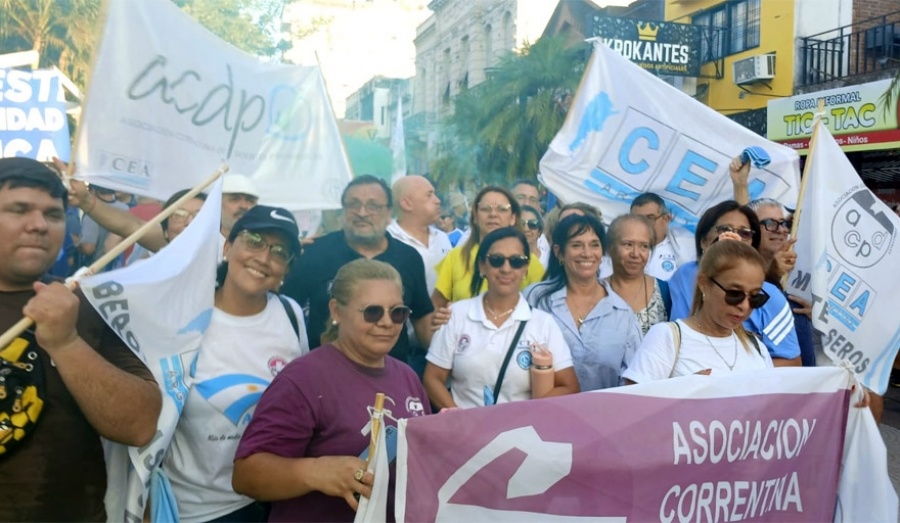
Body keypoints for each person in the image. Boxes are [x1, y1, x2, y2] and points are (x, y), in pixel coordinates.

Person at [0, 157, 161, 521]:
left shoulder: (87, 303)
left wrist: (66, 343)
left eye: (54, 214)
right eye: (19, 210)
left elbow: (140, 425)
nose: (39, 225)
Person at [232, 259, 430, 522]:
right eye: (372, 312)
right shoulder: (304, 379)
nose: (386, 322)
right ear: (337, 311)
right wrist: (316, 471)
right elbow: (246, 475)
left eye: (398, 312)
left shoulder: (407, 377)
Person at [162, 204, 309, 522]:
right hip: (197, 509)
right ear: (228, 246)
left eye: (279, 252)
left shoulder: (291, 314)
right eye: (254, 241)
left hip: (271, 498)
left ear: (286, 269)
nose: (264, 258)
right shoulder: (184, 318)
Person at [280, 175, 435, 366]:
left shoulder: (408, 258)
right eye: (353, 205)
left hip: (389, 372)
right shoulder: (315, 253)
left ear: (389, 213)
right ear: (342, 211)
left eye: (373, 206)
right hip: (324, 371)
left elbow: (421, 317)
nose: (362, 213)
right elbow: (285, 310)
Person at [424, 227, 579, 409]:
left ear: (526, 268)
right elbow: (432, 378)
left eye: (516, 261)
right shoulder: (456, 315)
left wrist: (526, 415)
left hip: (522, 426)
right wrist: (460, 418)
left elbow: (569, 386)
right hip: (465, 425)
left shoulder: (543, 323)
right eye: (496, 260)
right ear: (482, 266)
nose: (506, 269)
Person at [667, 200, 802, 366]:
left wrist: (734, 375)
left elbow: (792, 362)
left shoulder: (770, 295)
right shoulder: (686, 274)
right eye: (725, 229)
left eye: (745, 233)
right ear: (703, 240)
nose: (733, 238)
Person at [623, 240, 773, 382]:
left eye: (755, 297)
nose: (744, 306)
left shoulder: (757, 348)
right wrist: (684, 390)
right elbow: (631, 399)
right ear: (704, 284)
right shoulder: (666, 337)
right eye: (734, 294)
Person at [525, 214, 641, 391]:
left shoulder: (622, 313)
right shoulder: (536, 299)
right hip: (541, 407)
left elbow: (633, 380)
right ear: (559, 252)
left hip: (604, 409)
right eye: (576, 245)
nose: (587, 253)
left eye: (594, 245)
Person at [65, 169, 257, 255]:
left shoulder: (256, 249)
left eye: (249, 200)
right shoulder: (180, 244)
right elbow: (132, 226)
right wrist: (86, 202)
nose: (243, 206)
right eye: (235, 199)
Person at [432, 186, 544, 308]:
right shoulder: (456, 257)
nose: (493, 214)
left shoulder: (528, 261)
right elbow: (436, 306)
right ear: (475, 216)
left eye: (502, 209)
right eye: (485, 209)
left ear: (513, 218)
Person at [604, 215, 671, 334]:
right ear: (610, 248)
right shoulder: (594, 292)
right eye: (628, 244)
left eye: (644, 246)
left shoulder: (664, 292)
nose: (635, 254)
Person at [388, 175, 451, 294]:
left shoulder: (442, 237)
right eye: (429, 195)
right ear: (407, 204)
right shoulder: (388, 241)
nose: (437, 201)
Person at [629, 192, 696, 281]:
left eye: (650, 218)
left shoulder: (688, 249)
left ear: (666, 219)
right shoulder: (620, 251)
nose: (644, 224)